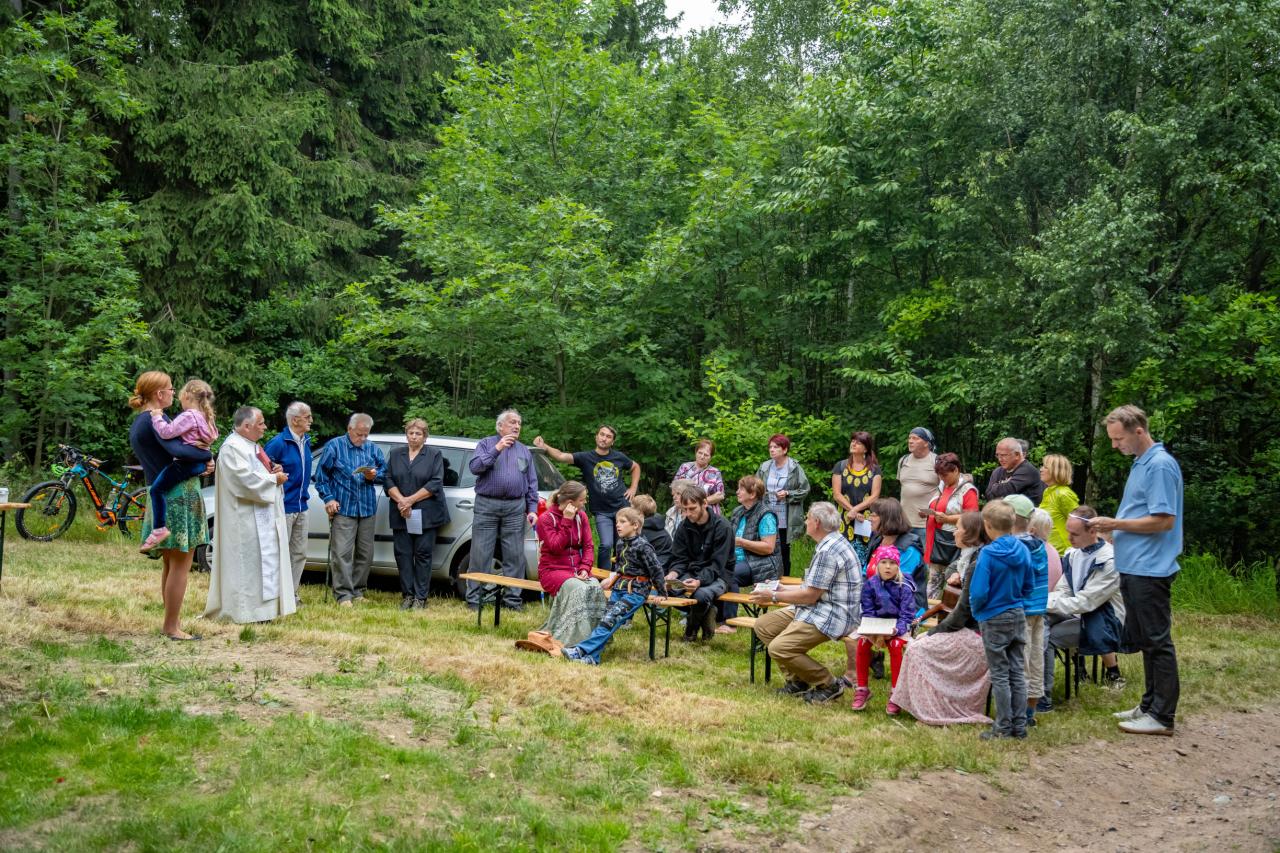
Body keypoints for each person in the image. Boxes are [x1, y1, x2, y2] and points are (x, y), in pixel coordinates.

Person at [1088, 405, 1183, 736]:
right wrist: (1115, 532)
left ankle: (1163, 716)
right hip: (1134, 565)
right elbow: (1142, 513)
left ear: (1139, 431)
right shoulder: (1142, 462)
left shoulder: (1159, 466)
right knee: (1146, 640)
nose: (1115, 446)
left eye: (1119, 439)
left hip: (1150, 568)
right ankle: (1149, 705)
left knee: (1157, 641)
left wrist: (1115, 524)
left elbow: (1163, 520)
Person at [128, 371, 212, 641]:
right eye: (171, 389)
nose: (174, 394)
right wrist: (207, 456)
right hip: (179, 496)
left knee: (170, 563)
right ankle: (171, 627)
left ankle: (171, 622)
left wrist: (200, 461)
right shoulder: (157, 420)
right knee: (180, 565)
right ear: (159, 394)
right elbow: (180, 452)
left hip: (161, 493)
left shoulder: (139, 422)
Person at [750, 502, 862, 704]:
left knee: (778, 648)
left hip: (834, 614)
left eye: (808, 518)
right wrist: (781, 589)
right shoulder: (832, 542)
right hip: (819, 605)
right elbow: (813, 588)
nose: (805, 521)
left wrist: (773, 597)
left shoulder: (828, 551)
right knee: (764, 626)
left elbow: (810, 596)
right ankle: (798, 681)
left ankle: (829, 684)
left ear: (816, 522)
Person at [890, 512, 993, 725]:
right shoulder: (969, 557)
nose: (954, 532)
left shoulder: (976, 563)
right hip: (968, 629)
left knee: (917, 649)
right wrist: (954, 575)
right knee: (918, 645)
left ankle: (934, 709)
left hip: (978, 635)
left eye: (958, 528)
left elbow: (961, 614)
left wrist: (932, 632)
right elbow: (952, 570)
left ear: (971, 534)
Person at [204, 406, 296, 624]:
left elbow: (261, 471)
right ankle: (246, 612)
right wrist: (274, 480)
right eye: (260, 423)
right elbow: (242, 481)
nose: (265, 427)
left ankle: (265, 612)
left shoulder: (253, 446)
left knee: (264, 564)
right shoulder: (232, 448)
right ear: (246, 426)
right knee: (249, 566)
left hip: (262, 517)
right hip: (244, 520)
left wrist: (274, 470)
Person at [559, 508, 666, 665]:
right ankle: (592, 658)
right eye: (617, 522)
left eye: (622, 522)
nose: (617, 525)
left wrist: (662, 593)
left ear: (635, 525)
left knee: (610, 619)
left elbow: (656, 570)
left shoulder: (644, 546)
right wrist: (612, 580)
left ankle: (580, 650)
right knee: (605, 620)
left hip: (636, 592)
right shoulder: (620, 543)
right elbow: (620, 568)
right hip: (618, 589)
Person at [969, 500, 1034, 740]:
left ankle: (1003, 727)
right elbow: (1029, 584)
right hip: (1017, 613)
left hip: (993, 616)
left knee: (999, 674)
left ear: (987, 525)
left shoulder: (988, 553)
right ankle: (1020, 725)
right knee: (1017, 671)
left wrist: (977, 611)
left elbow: (978, 591)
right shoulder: (1023, 549)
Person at [535, 425, 639, 571]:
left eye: (608, 436)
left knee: (621, 544)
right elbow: (561, 456)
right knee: (606, 544)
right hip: (602, 511)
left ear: (612, 441)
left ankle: (619, 575)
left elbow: (635, 467)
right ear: (596, 436)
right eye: (602, 434)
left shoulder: (619, 457)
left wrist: (633, 488)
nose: (604, 438)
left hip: (622, 507)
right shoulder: (586, 457)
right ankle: (603, 576)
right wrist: (544, 446)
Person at [466, 409, 539, 612]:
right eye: (512, 422)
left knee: (514, 555)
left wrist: (532, 509)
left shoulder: (524, 451)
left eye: (519, 423)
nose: (516, 426)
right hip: (487, 504)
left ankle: (512, 601)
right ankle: (475, 600)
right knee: (480, 553)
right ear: (500, 426)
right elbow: (475, 467)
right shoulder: (485, 444)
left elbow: (532, 482)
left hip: (515, 507)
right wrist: (497, 448)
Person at [1049, 506, 1127, 688]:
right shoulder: (1073, 554)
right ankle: (1035, 689)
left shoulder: (1110, 561)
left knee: (1046, 636)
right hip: (1080, 612)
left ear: (1092, 531)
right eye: (1068, 532)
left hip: (1106, 620)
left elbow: (1086, 602)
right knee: (1040, 621)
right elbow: (1064, 589)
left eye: (1074, 534)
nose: (1069, 538)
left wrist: (1041, 602)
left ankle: (1043, 693)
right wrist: (1043, 603)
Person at [314, 413, 386, 607]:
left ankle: (358, 591)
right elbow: (321, 477)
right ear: (349, 429)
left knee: (365, 553)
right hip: (344, 507)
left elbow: (385, 472)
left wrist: (375, 475)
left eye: (366, 435)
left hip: (367, 507)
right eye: (359, 434)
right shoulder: (334, 446)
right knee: (342, 553)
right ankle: (343, 595)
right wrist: (329, 498)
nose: (362, 438)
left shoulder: (372, 448)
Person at [140, 379, 218, 553]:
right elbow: (210, 439)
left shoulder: (189, 416)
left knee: (156, 490)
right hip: (197, 465)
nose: (178, 399)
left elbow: (166, 432)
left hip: (185, 464)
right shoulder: (206, 417)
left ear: (187, 396)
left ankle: (159, 529)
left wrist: (156, 417)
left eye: (179, 396)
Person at [384, 418, 450, 610]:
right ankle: (408, 595)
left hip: (426, 513)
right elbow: (388, 479)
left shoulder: (434, 454)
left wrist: (410, 500)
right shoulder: (395, 454)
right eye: (411, 433)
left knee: (422, 554)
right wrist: (401, 501)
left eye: (418, 434)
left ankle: (421, 598)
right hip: (401, 512)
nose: (414, 436)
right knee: (403, 555)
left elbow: (435, 482)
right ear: (406, 435)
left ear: (425, 436)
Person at [534, 481, 606, 648]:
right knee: (578, 588)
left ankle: (596, 638)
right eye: (582, 500)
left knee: (595, 586)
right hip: (552, 570)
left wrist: (585, 568)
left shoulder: (582, 516)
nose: (585, 502)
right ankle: (574, 640)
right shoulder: (546, 519)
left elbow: (588, 546)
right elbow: (555, 547)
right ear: (570, 502)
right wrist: (566, 520)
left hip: (576, 570)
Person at [849, 546, 916, 714]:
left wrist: (897, 629)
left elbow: (907, 615)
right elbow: (868, 610)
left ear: (898, 566)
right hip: (876, 626)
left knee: (895, 645)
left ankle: (896, 693)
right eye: (884, 562)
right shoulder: (870, 584)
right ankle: (862, 689)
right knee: (862, 642)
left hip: (898, 627)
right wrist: (873, 630)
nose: (888, 567)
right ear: (877, 564)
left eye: (892, 563)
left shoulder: (905, 585)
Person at [666, 481, 734, 642]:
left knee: (701, 595)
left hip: (719, 575)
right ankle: (707, 612)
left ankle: (690, 631)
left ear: (704, 504)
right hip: (691, 572)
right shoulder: (684, 526)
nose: (688, 513)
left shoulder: (723, 527)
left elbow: (717, 565)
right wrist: (673, 574)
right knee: (667, 589)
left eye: (692, 509)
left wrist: (699, 581)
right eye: (684, 509)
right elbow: (679, 558)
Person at [1005, 494, 1049, 729]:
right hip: (1038, 609)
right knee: (1035, 659)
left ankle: (1017, 714)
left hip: (1020, 610)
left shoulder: (1014, 547)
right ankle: (1030, 710)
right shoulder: (1039, 545)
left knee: (1019, 661)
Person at [264, 401, 314, 606]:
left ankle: (291, 595)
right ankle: (275, 596)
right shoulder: (278, 443)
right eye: (307, 417)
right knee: (279, 553)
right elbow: (262, 471)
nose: (311, 420)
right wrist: (273, 470)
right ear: (295, 420)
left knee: (299, 553)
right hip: (283, 506)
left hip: (302, 506)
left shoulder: (305, 441)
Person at [721, 475, 780, 628]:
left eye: (741, 489)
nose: (737, 492)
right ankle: (714, 616)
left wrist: (741, 542)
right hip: (737, 560)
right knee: (714, 568)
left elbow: (768, 547)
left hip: (761, 562)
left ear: (752, 494)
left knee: (730, 573)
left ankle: (729, 622)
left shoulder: (766, 515)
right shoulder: (738, 511)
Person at [922, 452, 979, 601]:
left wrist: (948, 519)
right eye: (939, 475)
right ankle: (929, 611)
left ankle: (948, 610)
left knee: (951, 585)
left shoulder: (968, 491)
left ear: (956, 470)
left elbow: (972, 519)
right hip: (935, 542)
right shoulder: (942, 487)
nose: (942, 478)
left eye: (945, 475)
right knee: (932, 583)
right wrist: (927, 513)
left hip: (951, 544)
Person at [756, 434, 810, 577]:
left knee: (784, 551)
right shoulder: (764, 467)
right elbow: (755, 487)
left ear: (785, 450)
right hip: (767, 514)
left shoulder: (794, 467)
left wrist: (788, 493)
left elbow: (804, 490)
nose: (772, 450)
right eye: (770, 447)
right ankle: (767, 579)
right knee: (766, 548)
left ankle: (784, 580)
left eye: (776, 447)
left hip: (786, 517)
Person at [1030, 508, 1064, 709]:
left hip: (1045, 609)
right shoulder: (1049, 549)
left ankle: (1042, 695)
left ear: (1032, 529)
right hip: (1046, 606)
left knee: (1038, 639)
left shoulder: (1039, 553)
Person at [831, 431, 882, 555]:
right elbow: (837, 494)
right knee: (841, 553)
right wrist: (852, 510)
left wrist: (855, 510)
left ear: (866, 449)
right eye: (853, 441)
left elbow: (875, 496)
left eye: (858, 443)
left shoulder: (874, 469)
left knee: (865, 553)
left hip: (865, 518)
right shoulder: (840, 466)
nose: (853, 444)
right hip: (843, 517)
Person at [897, 427, 938, 540]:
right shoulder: (903, 460)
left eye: (915, 438)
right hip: (904, 523)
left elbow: (947, 490)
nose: (910, 441)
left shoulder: (937, 461)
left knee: (927, 552)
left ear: (926, 443)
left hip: (926, 524)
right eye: (909, 438)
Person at [672, 439, 725, 516]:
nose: (702, 457)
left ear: (711, 457)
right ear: (695, 452)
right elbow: (674, 489)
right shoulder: (685, 468)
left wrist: (699, 503)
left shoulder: (715, 472)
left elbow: (720, 495)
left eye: (706, 455)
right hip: (685, 511)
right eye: (700, 453)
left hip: (708, 513)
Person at [984, 437, 1045, 504]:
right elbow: (988, 495)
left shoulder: (1027, 470)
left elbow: (1007, 491)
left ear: (1017, 455)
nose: (1000, 459)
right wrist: (1000, 489)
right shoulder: (998, 471)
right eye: (997, 455)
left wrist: (995, 487)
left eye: (1003, 455)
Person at [1039, 453, 1079, 553]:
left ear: (1056, 471)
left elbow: (1079, 521)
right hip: (1048, 548)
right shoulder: (1047, 491)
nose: (1041, 469)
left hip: (1062, 551)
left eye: (1045, 467)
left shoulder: (1063, 494)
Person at [631, 494, 672, 570]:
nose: (629, 511)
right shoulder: (657, 522)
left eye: (631, 508)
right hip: (662, 565)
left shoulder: (642, 531)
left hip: (656, 570)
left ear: (640, 513)